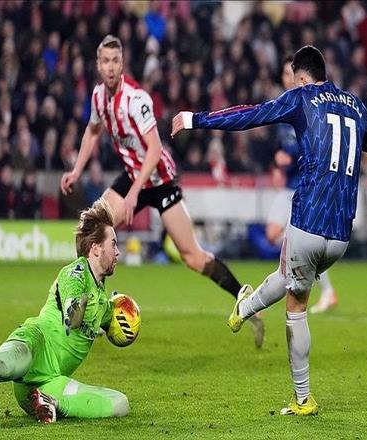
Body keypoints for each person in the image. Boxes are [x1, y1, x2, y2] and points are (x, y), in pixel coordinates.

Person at [172, 45, 367, 415]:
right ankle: (245, 307)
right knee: (288, 277)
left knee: (295, 306)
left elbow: (250, 115)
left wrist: (195, 119)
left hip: (308, 221)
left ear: (301, 77)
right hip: (341, 236)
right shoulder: (354, 103)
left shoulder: (301, 97)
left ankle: (303, 399)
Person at [60, 35, 264, 347]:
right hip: (133, 175)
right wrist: (76, 170)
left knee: (192, 257)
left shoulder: (137, 100)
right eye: (105, 61)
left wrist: (134, 194)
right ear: (98, 65)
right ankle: (87, 305)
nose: (110, 67)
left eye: (115, 61)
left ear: (122, 64)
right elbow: (92, 130)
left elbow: (154, 150)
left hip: (160, 180)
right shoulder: (98, 97)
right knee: (90, 229)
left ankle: (243, 296)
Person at [0, 199, 132, 428]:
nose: (118, 252)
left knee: (120, 404)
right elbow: (72, 317)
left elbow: (116, 320)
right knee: (0, 365)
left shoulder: (101, 296)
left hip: (46, 384)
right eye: (114, 244)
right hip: (35, 344)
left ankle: (52, 403)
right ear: (96, 248)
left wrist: (125, 316)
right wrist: (80, 309)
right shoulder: (76, 273)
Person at [267, 58, 338, 314]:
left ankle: (321, 289)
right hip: (289, 185)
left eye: (292, 72)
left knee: (295, 241)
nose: (288, 77)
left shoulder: (312, 105)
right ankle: (300, 276)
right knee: (273, 235)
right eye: (285, 73)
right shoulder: (283, 104)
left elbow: (317, 144)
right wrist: (277, 167)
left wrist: (292, 157)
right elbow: (280, 147)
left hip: (306, 187)